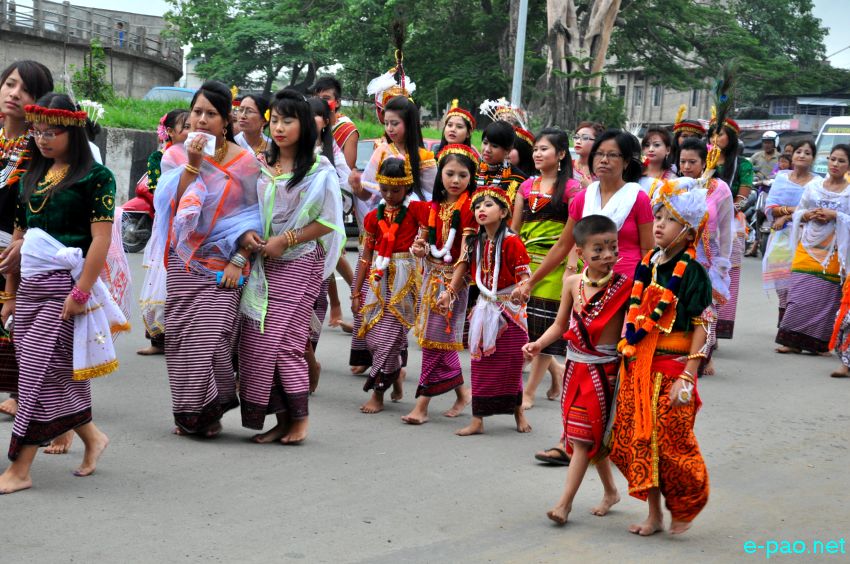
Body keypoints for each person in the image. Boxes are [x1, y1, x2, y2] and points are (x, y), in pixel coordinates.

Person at [0, 93, 129, 494]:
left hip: (65, 287)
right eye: (37, 131)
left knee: (36, 375)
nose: (42, 139)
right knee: (50, 373)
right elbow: (19, 244)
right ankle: (93, 437)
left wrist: (81, 291)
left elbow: (100, 241)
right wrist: (10, 296)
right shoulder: (30, 176)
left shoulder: (95, 178)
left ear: (73, 131)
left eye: (51, 131)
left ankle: (20, 468)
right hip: (30, 288)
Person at [144, 81, 263, 438]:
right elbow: (173, 209)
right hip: (185, 260)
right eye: (196, 112)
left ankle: (207, 407)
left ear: (226, 120)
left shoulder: (245, 163)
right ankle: (192, 413)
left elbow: (253, 219)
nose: (201, 120)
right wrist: (193, 166)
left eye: (211, 114)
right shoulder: (175, 156)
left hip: (223, 264)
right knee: (181, 339)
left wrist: (239, 259)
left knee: (212, 337)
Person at [238, 89, 344, 444]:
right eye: (276, 120)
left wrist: (287, 240)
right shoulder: (261, 165)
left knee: (283, 342)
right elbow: (248, 211)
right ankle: (281, 420)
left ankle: (299, 420)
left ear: (305, 126)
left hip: (299, 262)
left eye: (288, 120)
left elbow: (328, 222)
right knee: (256, 339)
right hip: (263, 262)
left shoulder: (319, 169)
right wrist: (252, 236)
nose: (279, 128)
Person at [610, 182, 713, 536]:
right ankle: (654, 516)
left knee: (673, 443)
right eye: (657, 215)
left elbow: (702, 325)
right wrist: (625, 347)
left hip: (672, 367)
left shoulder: (693, 272)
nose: (658, 223)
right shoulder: (647, 263)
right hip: (638, 365)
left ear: (688, 231)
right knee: (640, 442)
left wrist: (689, 374)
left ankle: (687, 502)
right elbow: (632, 314)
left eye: (670, 219)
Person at [523, 215, 630, 525]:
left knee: (583, 439)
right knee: (585, 434)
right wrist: (538, 344)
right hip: (574, 367)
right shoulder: (571, 283)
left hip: (604, 370)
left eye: (612, 247)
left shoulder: (625, 287)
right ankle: (610, 491)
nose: (607, 256)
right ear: (580, 253)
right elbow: (560, 326)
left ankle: (564, 504)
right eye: (598, 250)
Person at [348, 94, 436, 373]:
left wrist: (406, 203)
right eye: (386, 123)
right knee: (369, 295)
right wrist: (356, 186)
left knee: (398, 302)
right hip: (377, 233)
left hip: (407, 239)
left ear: (409, 124)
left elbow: (430, 198)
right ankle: (369, 356)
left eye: (395, 123)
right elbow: (368, 193)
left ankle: (389, 360)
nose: (390, 128)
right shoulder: (380, 151)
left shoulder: (424, 157)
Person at [403, 144, 478, 425]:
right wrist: (419, 248)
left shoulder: (470, 208)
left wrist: (450, 290)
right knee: (438, 341)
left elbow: (465, 257)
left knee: (435, 341)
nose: (456, 180)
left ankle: (421, 404)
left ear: (471, 178)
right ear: (440, 175)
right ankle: (463, 392)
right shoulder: (433, 207)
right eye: (450, 174)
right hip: (430, 278)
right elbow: (421, 242)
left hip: (453, 284)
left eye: (462, 175)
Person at [352, 155, 429, 414]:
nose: (389, 195)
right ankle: (394, 375)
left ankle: (377, 394)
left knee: (388, 337)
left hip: (405, 281)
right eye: (384, 190)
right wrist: (355, 291)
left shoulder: (419, 211)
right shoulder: (373, 217)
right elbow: (365, 255)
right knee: (373, 338)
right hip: (378, 277)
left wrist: (423, 247)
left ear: (407, 187)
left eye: (395, 190)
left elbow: (432, 239)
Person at [511, 128, 581, 410]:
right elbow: (514, 231)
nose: (538, 154)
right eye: (536, 149)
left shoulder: (574, 191)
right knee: (525, 328)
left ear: (561, 154)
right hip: (524, 264)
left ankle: (528, 392)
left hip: (556, 267)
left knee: (543, 328)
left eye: (545, 149)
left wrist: (572, 266)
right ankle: (557, 372)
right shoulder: (525, 187)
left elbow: (573, 236)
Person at [0, 60, 53, 420]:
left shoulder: (43, 149)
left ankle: (45, 410)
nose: (15, 94)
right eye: (9, 84)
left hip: (17, 254)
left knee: (22, 336)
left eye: (26, 90)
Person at [456, 185, 532, 436]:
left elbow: (524, 277)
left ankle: (518, 412)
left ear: (503, 212)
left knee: (511, 364)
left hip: (510, 309)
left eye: (488, 205)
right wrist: (448, 292)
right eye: (477, 206)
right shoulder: (475, 242)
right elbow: (466, 272)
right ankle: (477, 420)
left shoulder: (513, 242)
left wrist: (522, 290)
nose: (481, 210)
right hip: (485, 306)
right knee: (480, 364)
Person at [775, 144, 850, 354]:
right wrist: (808, 215)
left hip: (833, 252)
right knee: (797, 294)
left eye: (841, 161)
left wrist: (835, 215)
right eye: (832, 159)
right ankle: (791, 341)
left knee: (825, 299)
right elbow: (800, 211)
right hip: (807, 246)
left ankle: (818, 345)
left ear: (849, 166)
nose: (835, 164)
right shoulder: (814, 186)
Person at [677, 138, 734, 376]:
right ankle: (678, 352)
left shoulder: (720, 189)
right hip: (679, 253)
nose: (687, 166)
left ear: (705, 162)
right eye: (682, 161)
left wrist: (723, 262)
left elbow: (725, 228)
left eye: (692, 161)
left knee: (704, 308)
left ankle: (702, 356)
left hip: (706, 256)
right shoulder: (676, 185)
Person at [137, 108, 189, 357]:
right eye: (185, 126)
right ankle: (157, 339)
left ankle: (180, 338)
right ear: (169, 131)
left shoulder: (202, 154)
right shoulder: (159, 157)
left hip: (190, 223)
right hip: (168, 220)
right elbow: (158, 189)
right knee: (160, 277)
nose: (191, 130)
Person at [763, 139, 821, 329]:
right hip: (781, 237)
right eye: (799, 152)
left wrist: (786, 216)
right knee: (782, 283)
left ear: (813, 158)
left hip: (807, 237)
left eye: (807, 153)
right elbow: (770, 207)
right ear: (792, 155)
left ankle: (796, 326)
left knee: (800, 284)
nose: (802, 155)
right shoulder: (781, 178)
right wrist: (791, 212)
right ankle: (784, 326)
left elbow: (814, 212)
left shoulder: (818, 183)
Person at [708, 117, 751, 340]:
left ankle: (717, 328)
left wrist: (725, 209)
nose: (716, 138)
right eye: (713, 134)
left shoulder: (742, 164)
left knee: (726, 272)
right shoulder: (704, 159)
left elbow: (743, 195)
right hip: (705, 220)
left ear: (731, 138)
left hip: (731, 221)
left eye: (721, 133)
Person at [311, 76, 360, 170]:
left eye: (326, 98)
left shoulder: (347, 130)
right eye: (316, 98)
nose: (320, 102)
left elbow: (347, 170)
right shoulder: (307, 123)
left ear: (337, 102)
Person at [475, 120, 527, 203]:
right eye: (485, 143)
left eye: (494, 146)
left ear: (507, 150)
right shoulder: (473, 170)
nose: (487, 149)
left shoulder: (519, 179)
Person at [638, 127, 677, 197]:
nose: (651, 149)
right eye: (647, 145)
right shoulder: (635, 172)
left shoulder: (672, 179)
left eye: (656, 145)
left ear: (668, 150)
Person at [670, 106, 706, 172]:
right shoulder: (666, 159)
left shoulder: (707, 162)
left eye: (693, 137)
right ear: (677, 138)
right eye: (684, 136)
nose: (688, 140)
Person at [572, 121, 605, 189]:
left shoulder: (603, 171)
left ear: (598, 142)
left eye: (585, 138)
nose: (578, 142)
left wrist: (589, 188)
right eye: (576, 137)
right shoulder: (567, 166)